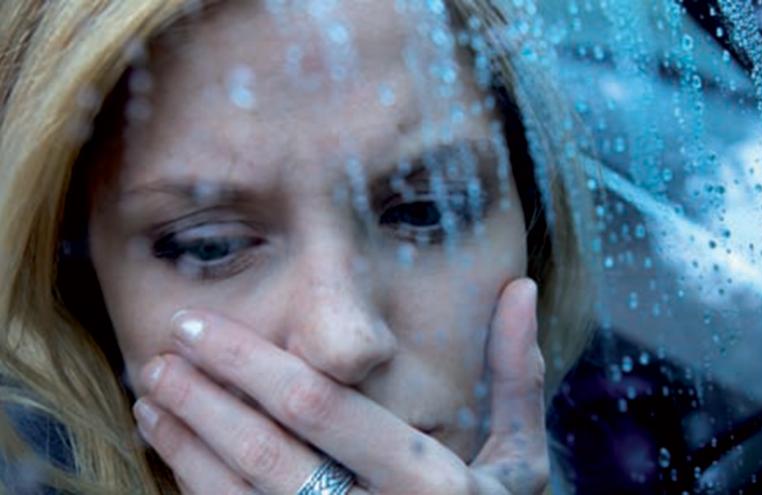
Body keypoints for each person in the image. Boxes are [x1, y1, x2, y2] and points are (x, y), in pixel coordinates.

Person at [0, 0, 594, 493]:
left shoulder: (642, 434)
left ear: (531, 213)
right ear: (73, 281)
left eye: (426, 210)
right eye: (211, 246)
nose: (344, 340)